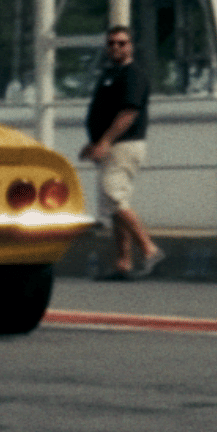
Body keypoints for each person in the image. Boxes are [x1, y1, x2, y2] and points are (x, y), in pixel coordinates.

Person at [78, 26, 164, 280]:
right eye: (111, 43)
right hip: (109, 146)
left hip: (124, 145)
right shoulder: (109, 75)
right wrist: (93, 142)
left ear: (131, 46)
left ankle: (150, 249)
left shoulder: (132, 75)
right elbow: (102, 113)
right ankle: (122, 263)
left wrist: (104, 141)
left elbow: (128, 112)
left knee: (114, 196)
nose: (116, 47)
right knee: (113, 206)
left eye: (122, 43)